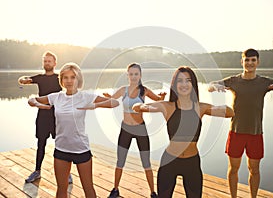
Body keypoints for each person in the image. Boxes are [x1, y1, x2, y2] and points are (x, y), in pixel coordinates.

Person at [133, 66, 235, 198]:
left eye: (188, 80)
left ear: (193, 84)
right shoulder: (167, 107)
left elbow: (230, 112)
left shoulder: (201, 108)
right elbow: (140, 107)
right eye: (180, 81)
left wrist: (217, 91)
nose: (184, 84)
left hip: (191, 162)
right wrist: (140, 105)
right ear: (175, 85)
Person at [208, 48, 273, 198]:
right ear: (242, 62)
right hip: (236, 132)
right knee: (233, 169)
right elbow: (210, 85)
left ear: (258, 62)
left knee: (254, 169)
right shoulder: (234, 80)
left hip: (255, 133)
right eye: (247, 60)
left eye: (253, 60)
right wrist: (215, 86)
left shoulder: (264, 82)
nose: (250, 63)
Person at [28, 62, 119, 198]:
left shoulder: (85, 97)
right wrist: (37, 104)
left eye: (73, 77)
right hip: (61, 150)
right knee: (61, 189)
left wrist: (95, 105)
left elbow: (114, 102)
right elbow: (31, 99)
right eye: (66, 77)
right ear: (62, 80)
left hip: (81, 149)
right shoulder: (56, 97)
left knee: (88, 189)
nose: (69, 81)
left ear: (78, 79)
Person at [104, 63, 166, 198]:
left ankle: (152, 192)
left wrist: (162, 96)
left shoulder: (144, 91)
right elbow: (111, 99)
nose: (133, 76)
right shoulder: (122, 90)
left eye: (136, 74)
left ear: (140, 75)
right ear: (127, 75)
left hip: (140, 129)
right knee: (120, 161)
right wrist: (107, 96)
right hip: (125, 128)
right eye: (131, 74)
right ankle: (115, 189)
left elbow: (158, 100)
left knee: (146, 162)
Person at [18, 51, 76, 183]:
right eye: (45, 61)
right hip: (43, 115)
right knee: (41, 144)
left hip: (58, 116)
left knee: (62, 144)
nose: (47, 63)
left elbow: (71, 84)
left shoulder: (59, 78)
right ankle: (37, 171)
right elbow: (23, 80)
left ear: (55, 63)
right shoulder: (39, 77)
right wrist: (23, 80)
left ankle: (67, 173)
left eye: (49, 61)